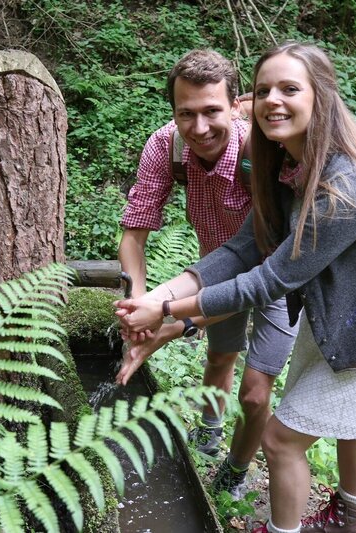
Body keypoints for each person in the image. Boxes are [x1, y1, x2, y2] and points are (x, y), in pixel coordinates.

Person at [115, 42, 356, 533]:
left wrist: (170, 313)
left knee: (281, 440)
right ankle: (351, 519)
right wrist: (154, 299)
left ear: (321, 96)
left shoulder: (348, 187)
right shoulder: (288, 167)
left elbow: (272, 279)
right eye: (264, 90)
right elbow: (243, 248)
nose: (272, 100)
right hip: (333, 315)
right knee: (353, 427)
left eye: (289, 88)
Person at [118, 48, 298, 495]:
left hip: (275, 275)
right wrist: (138, 306)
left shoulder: (263, 153)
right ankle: (209, 432)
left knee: (255, 390)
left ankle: (235, 471)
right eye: (186, 113)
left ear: (235, 105)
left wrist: (171, 323)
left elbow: (259, 278)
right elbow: (133, 235)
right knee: (219, 358)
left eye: (211, 111)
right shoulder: (166, 147)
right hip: (212, 268)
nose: (199, 128)